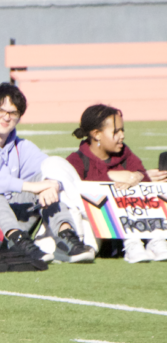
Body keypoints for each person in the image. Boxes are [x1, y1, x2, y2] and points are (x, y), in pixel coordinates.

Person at [0, 83, 95, 264]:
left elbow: (51, 168)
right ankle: (18, 243)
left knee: (46, 178)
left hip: (7, 217)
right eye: (0, 110)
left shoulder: (21, 147)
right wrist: (29, 186)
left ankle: (66, 238)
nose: (6, 117)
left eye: (13, 113)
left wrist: (50, 184)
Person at [67, 104, 167, 263]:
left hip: (137, 219)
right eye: (116, 131)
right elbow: (78, 193)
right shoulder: (76, 160)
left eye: (122, 130)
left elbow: (143, 179)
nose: (122, 136)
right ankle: (131, 243)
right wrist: (111, 177)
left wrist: (139, 176)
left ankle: (156, 239)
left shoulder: (125, 154)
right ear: (96, 135)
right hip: (102, 229)